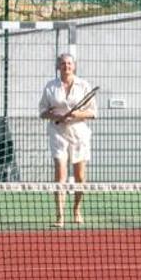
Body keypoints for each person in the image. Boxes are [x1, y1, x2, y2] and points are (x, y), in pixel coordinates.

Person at [39, 51, 95, 226]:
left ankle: (77, 210)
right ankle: (60, 216)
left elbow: (93, 112)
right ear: (58, 67)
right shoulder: (50, 87)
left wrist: (77, 114)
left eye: (69, 63)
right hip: (58, 133)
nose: (66, 66)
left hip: (79, 134)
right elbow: (42, 112)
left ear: (74, 66)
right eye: (63, 63)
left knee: (80, 177)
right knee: (60, 175)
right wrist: (55, 115)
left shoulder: (84, 85)